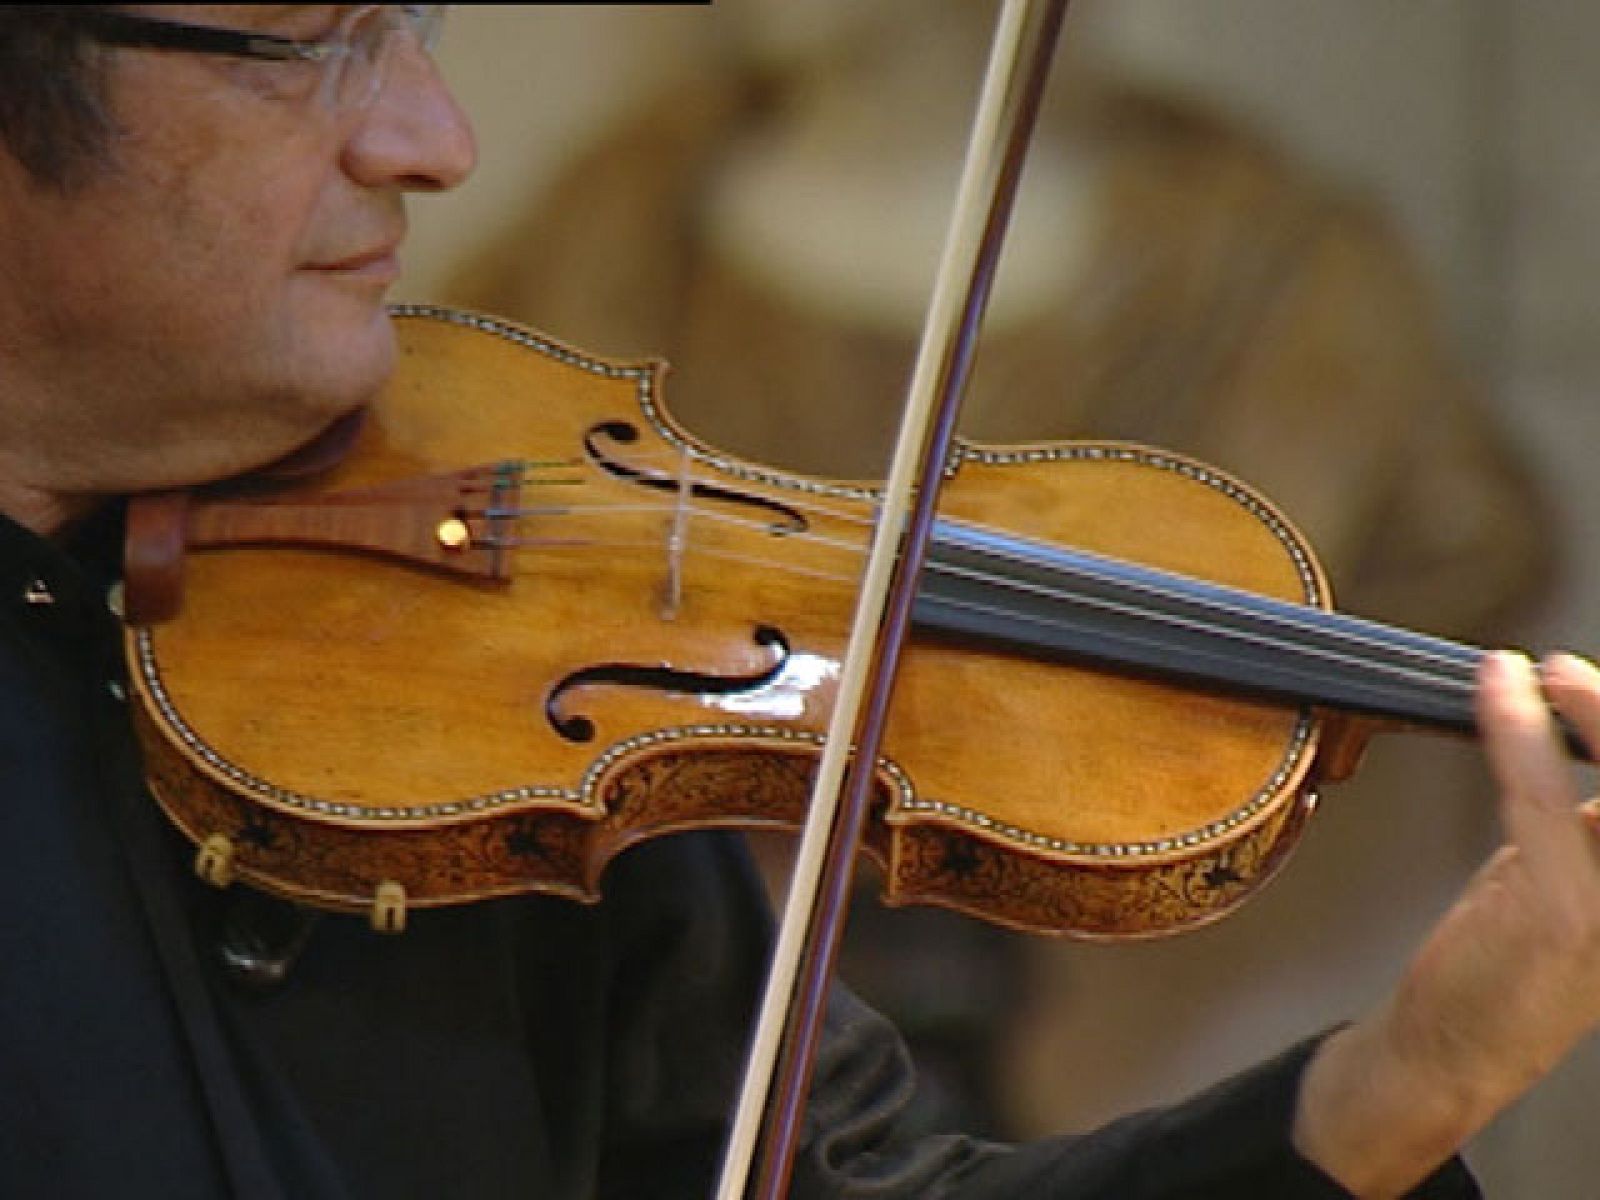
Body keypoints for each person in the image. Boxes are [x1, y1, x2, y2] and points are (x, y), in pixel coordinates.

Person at [0, 5, 1596, 1198]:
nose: (435, 139)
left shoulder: (525, 665)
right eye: (304, 44)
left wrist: (1403, 1085)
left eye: (410, 23)